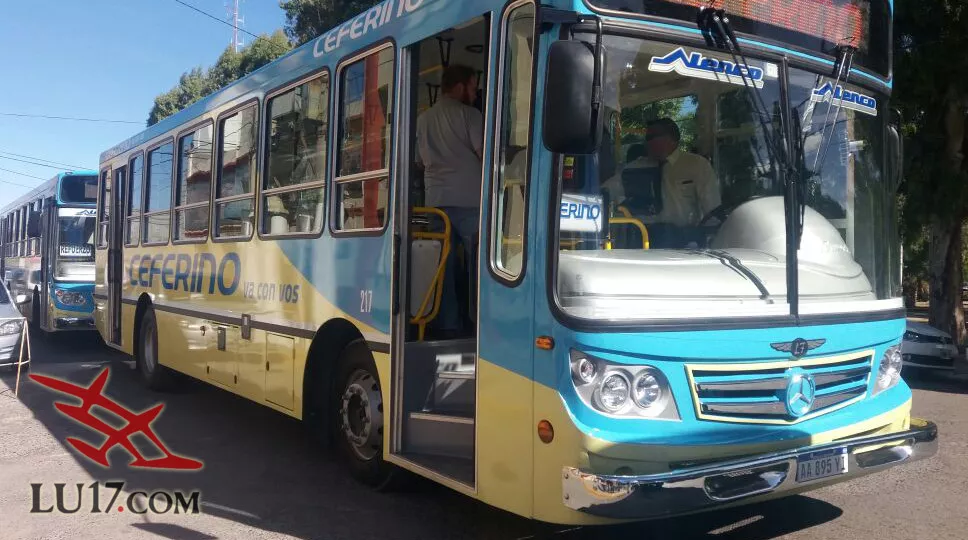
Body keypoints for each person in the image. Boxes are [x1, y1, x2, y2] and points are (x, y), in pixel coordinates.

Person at [415, 64, 484, 337]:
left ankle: (448, 324)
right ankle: (479, 320)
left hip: (436, 203)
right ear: (459, 87)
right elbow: (484, 153)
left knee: (442, 267)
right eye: (472, 87)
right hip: (470, 202)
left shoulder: (423, 120)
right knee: (479, 264)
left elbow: (420, 161)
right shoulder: (471, 115)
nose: (475, 93)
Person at [637, 118, 720, 227]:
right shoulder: (635, 168)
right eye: (647, 138)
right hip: (642, 234)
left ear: (672, 139)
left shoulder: (697, 165)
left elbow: (712, 212)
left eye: (652, 137)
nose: (647, 142)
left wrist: (699, 233)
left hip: (685, 235)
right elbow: (613, 195)